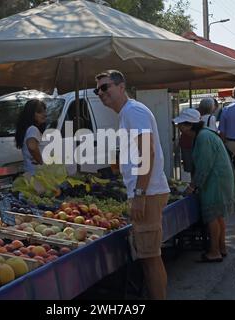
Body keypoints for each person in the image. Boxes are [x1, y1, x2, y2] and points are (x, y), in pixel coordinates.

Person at [95, 70, 170, 300]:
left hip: (147, 193)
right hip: (147, 191)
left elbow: (147, 152)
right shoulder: (128, 113)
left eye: (105, 87)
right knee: (148, 258)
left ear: (121, 86)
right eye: (97, 90)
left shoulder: (133, 111)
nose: (100, 93)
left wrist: (139, 194)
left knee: (150, 258)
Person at [174, 108, 235, 263]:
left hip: (215, 181)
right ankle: (221, 248)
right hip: (219, 178)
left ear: (189, 125)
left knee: (212, 216)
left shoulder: (203, 137)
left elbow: (203, 166)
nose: (179, 128)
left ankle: (214, 251)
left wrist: (193, 186)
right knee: (219, 215)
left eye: (181, 125)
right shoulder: (205, 134)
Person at [15, 99, 47, 175]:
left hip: (32, 172)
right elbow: (32, 147)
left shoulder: (28, 129)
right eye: (39, 112)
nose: (44, 114)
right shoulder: (33, 129)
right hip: (37, 174)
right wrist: (42, 163)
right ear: (31, 114)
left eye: (44, 111)